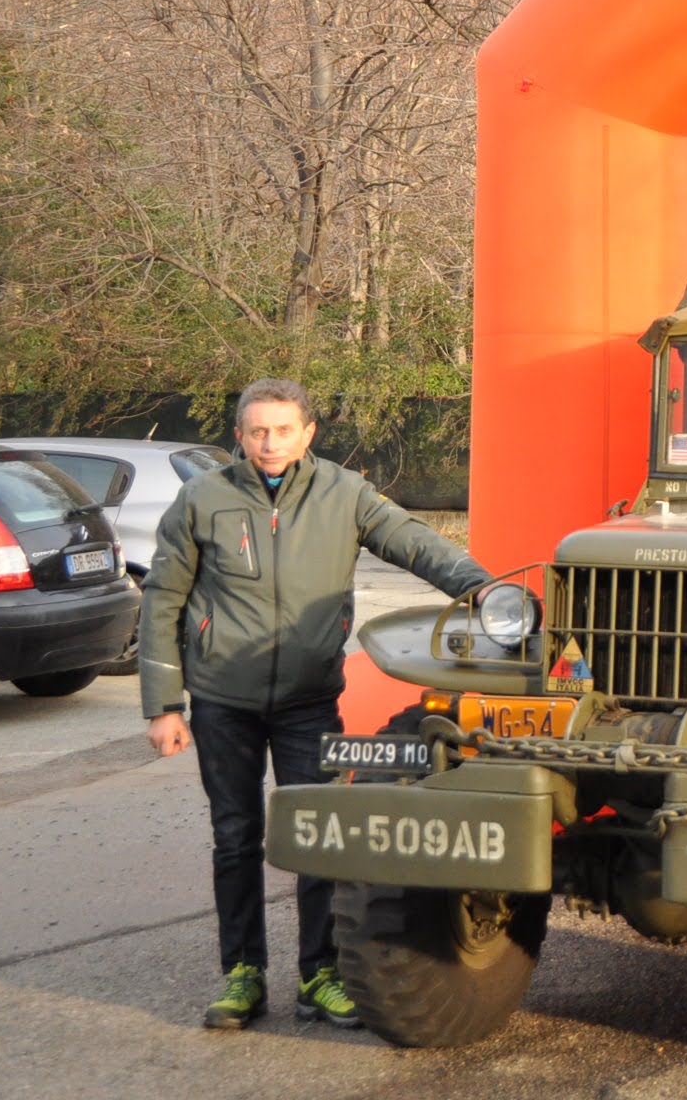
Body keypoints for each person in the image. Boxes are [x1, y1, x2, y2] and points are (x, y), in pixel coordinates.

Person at [141, 378, 492, 1032]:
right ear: (239, 435)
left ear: (308, 434)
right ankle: (242, 973)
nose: (269, 443)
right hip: (223, 701)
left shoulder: (344, 493)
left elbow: (415, 542)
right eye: (257, 431)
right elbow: (162, 599)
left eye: (283, 430)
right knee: (236, 837)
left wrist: (481, 588)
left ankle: (319, 974)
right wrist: (164, 705)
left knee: (319, 837)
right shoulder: (202, 499)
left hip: (308, 701)